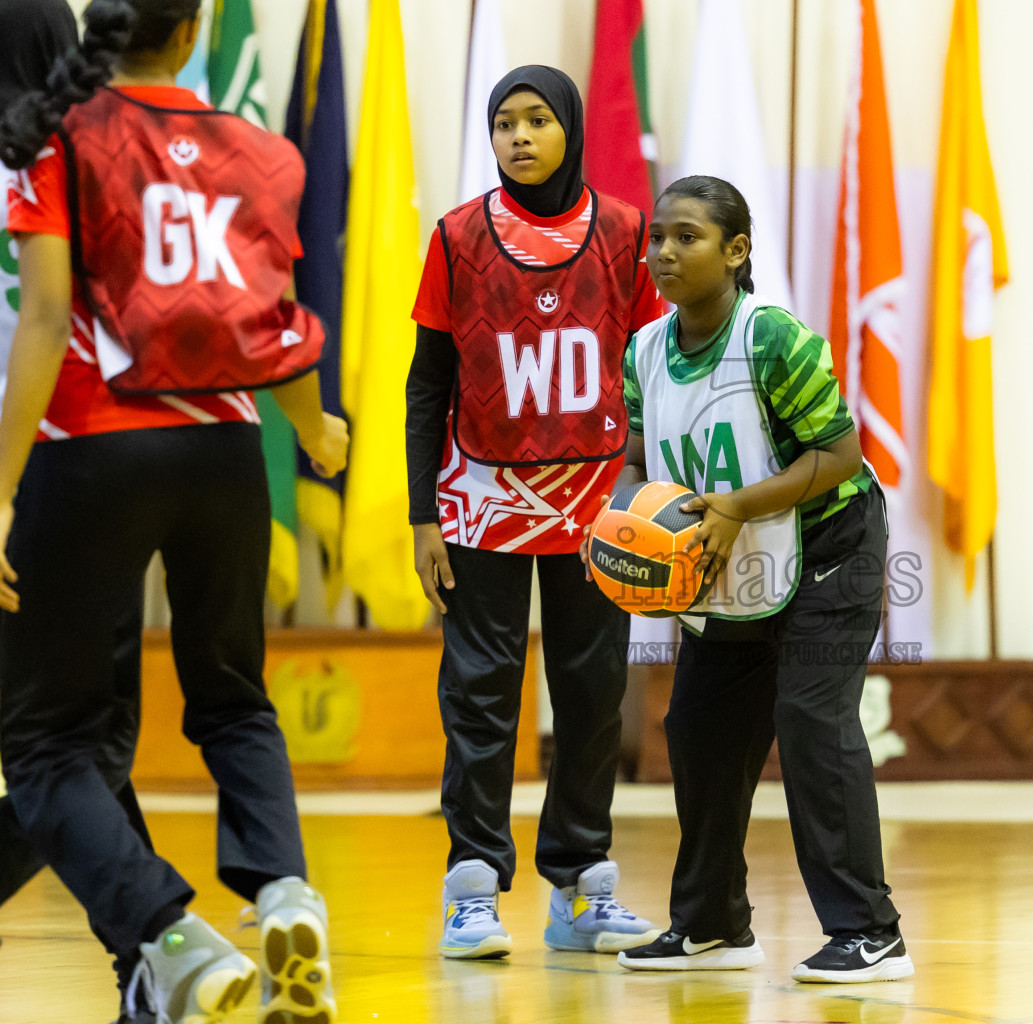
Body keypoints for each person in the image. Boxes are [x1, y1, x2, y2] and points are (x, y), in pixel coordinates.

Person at [0, 0, 348, 1019]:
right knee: (234, 698)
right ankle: (285, 892)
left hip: (94, 451)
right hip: (229, 448)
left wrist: (3, 484)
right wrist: (315, 427)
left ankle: (171, 940)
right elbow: (274, 320)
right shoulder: (260, 149)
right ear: (195, 33)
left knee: (52, 748)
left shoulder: (56, 136)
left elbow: (51, 318)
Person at [602, 175, 913, 984]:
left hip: (830, 548)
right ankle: (712, 926)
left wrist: (736, 505)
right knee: (699, 730)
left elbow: (841, 457)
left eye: (687, 237)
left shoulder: (773, 338)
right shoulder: (643, 349)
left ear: (737, 251)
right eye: (658, 237)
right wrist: (617, 518)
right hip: (731, 563)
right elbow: (638, 456)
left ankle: (870, 932)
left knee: (812, 722)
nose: (664, 252)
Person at [407, 64, 665, 960]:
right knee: (480, 696)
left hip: (595, 503)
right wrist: (421, 516)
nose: (518, 136)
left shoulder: (630, 235)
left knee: (592, 698)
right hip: (479, 502)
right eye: (503, 123)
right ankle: (471, 888)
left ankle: (581, 889)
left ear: (572, 128)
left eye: (537, 120)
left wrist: (652, 492)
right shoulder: (455, 237)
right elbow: (426, 382)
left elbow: (651, 375)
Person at [0, 0, 151, 937]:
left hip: (38, 477)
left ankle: (156, 948)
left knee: (67, 752)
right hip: (93, 470)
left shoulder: (50, 170)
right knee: (81, 747)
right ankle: (159, 950)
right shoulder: (111, 165)